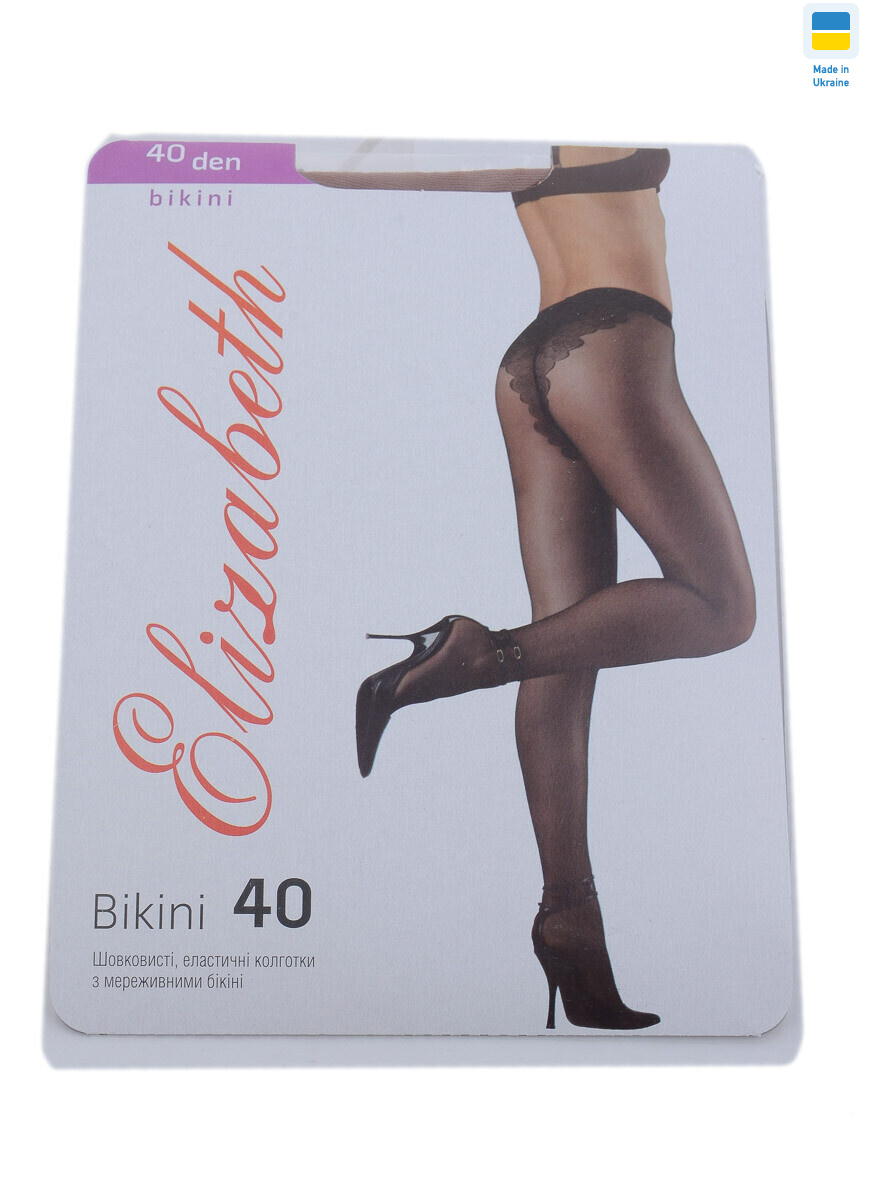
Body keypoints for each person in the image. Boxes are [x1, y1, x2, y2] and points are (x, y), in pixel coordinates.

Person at [355, 145, 756, 1030]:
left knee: (564, 657)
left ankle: (570, 921)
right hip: (613, 341)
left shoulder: (506, 125)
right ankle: (476, 653)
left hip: (529, 362)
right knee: (722, 609)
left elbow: (336, 163)